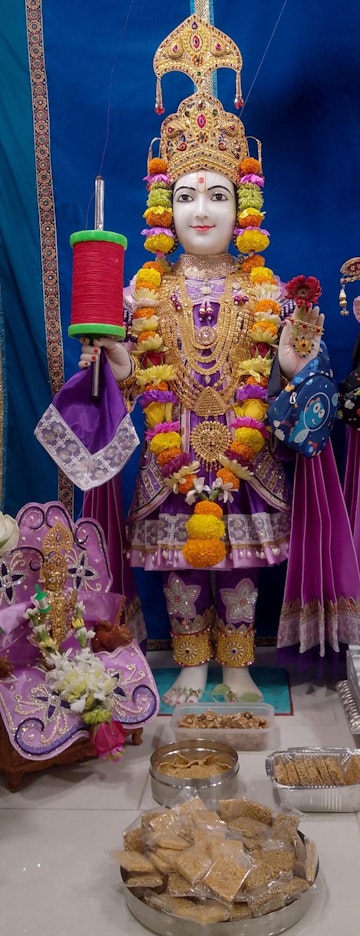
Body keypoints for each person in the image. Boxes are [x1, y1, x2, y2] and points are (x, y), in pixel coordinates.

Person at [78, 16, 360, 703]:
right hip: (169, 458)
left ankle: (235, 665)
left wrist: (299, 367)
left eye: (216, 194)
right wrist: (113, 355)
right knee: (179, 574)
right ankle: (194, 665)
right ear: (161, 208)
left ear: (245, 205)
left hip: (248, 455)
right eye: (184, 195)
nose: (200, 210)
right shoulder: (139, 296)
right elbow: (118, 389)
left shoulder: (267, 291)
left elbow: (301, 388)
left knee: (239, 573)